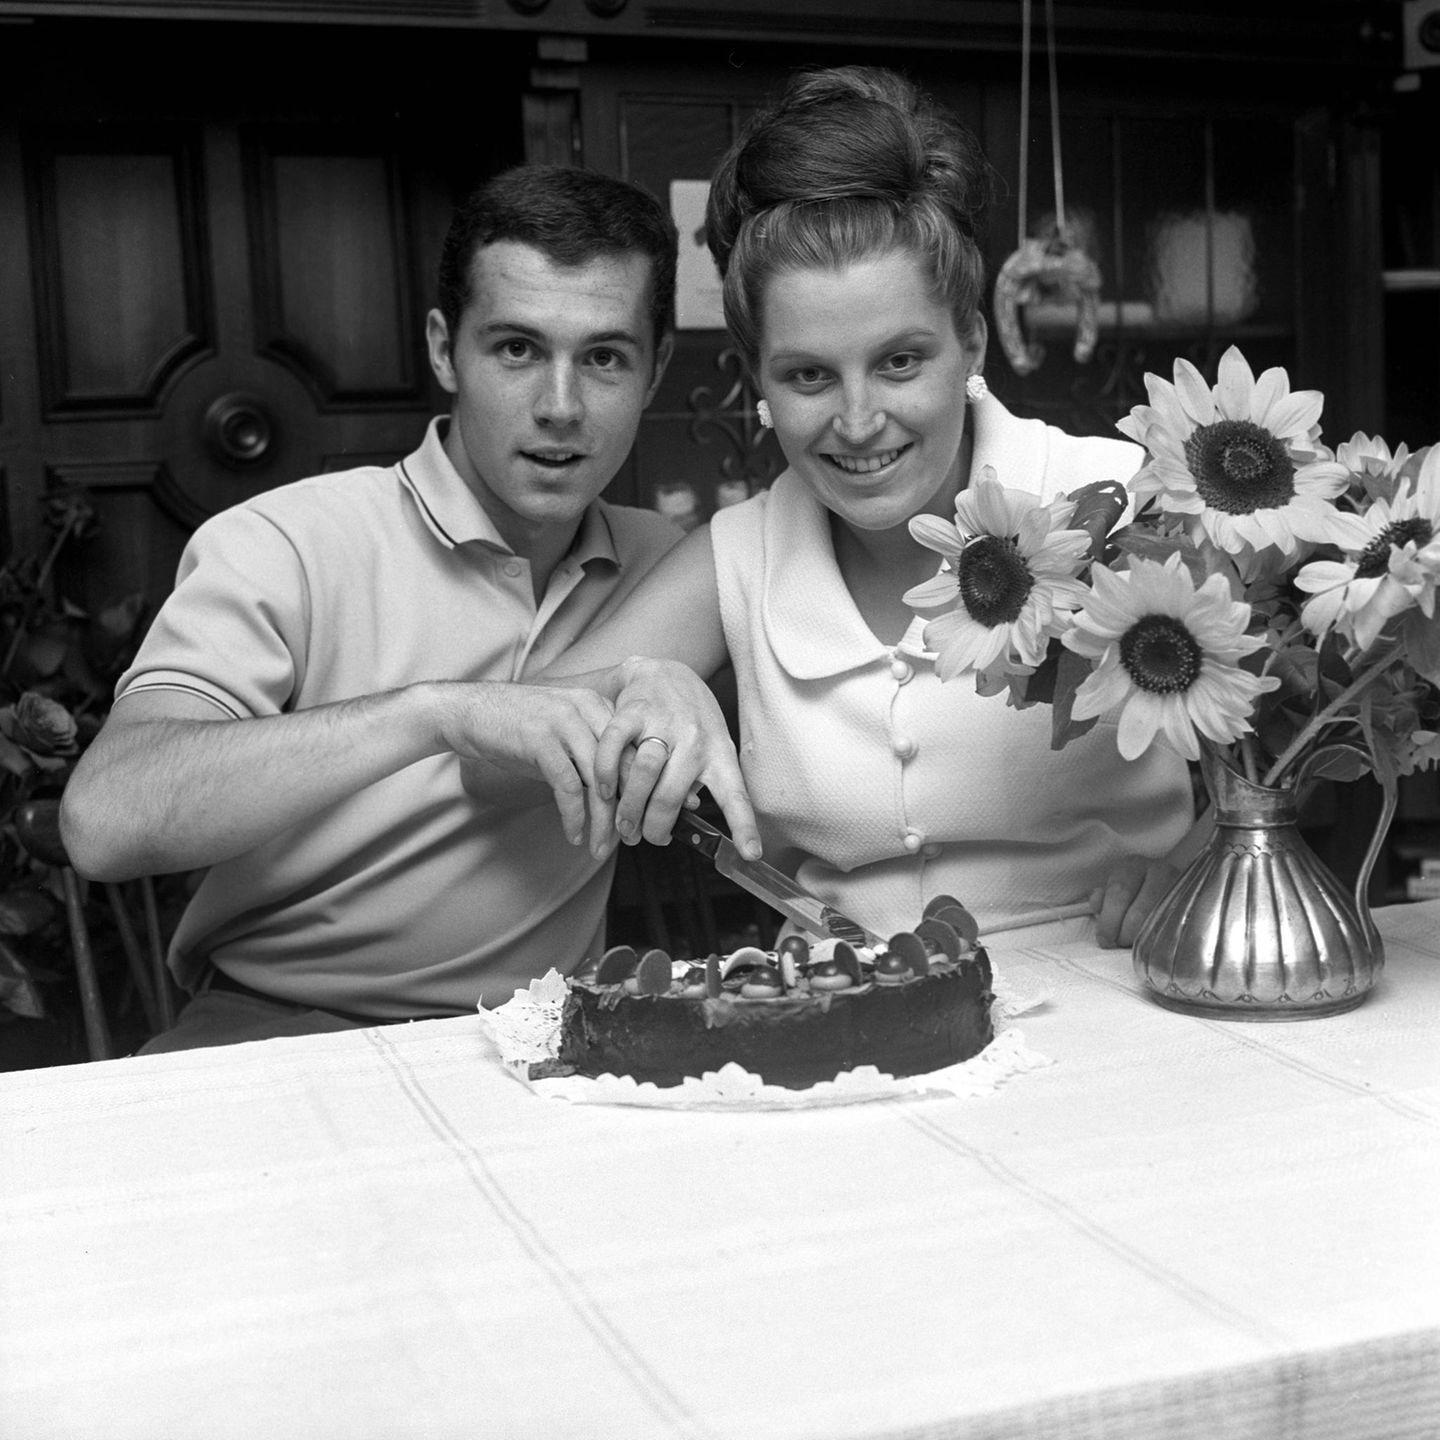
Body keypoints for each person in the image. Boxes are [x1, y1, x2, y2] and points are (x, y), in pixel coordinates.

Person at [522, 66, 1204, 948]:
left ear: (970, 343)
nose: (856, 421)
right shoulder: (743, 552)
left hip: (1117, 999)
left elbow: (1319, 721)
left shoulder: (1124, 496)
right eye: (808, 374)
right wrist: (643, 679)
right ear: (758, 380)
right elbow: (505, 738)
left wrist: (1205, 857)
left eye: (899, 362)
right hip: (849, 1023)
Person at [58, 163, 711, 1050]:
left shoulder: (670, 567)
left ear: (656, 368)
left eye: (603, 357)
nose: (561, 408)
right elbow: (106, 821)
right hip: (272, 1024)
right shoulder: (284, 540)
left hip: (545, 1035)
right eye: (516, 350)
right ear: (445, 348)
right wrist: (437, 714)